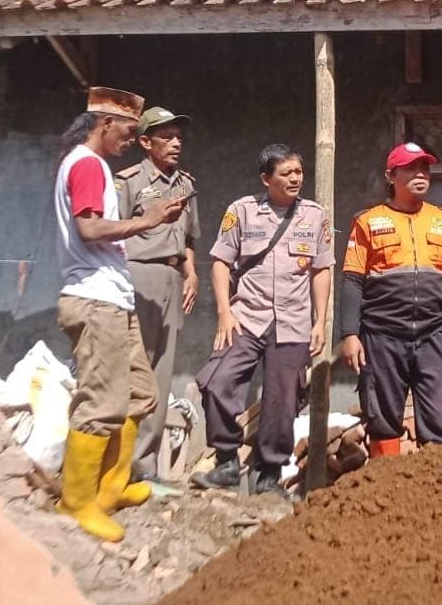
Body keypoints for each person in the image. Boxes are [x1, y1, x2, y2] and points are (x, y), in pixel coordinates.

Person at [52, 87, 187, 542]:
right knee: (101, 402)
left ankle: (110, 488)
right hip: (94, 299)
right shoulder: (88, 164)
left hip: (114, 296)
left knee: (139, 394)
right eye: (130, 131)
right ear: (105, 123)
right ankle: (76, 502)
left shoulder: (95, 166)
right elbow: (89, 228)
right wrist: (147, 220)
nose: (132, 138)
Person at [189, 145, 333, 497]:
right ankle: (226, 462)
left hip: (293, 322)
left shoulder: (315, 216)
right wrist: (224, 312)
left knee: (283, 400)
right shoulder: (242, 211)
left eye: (298, 172)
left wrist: (320, 321)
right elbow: (221, 263)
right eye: (286, 173)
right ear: (266, 178)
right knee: (217, 381)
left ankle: (268, 475)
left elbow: (321, 269)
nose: (295, 178)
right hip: (246, 318)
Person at [339, 142, 442, 455]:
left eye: (425, 168)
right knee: (383, 419)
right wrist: (349, 334)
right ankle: (386, 491)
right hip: (382, 336)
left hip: (434, 335)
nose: (421, 174)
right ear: (391, 176)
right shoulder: (368, 222)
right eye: (411, 168)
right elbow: (352, 280)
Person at [116, 105, 200, 487]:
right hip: (138, 274)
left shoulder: (186, 184)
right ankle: (116, 459)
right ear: (145, 141)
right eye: (166, 136)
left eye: (178, 136)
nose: (176, 142)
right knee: (132, 367)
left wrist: (191, 272)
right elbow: (111, 231)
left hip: (172, 277)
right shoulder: (130, 181)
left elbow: (190, 236)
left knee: (162, 372)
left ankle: (144, 463)